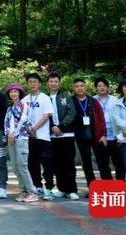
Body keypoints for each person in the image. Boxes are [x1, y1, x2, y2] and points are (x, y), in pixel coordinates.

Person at [72, 78, 110, 195]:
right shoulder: (71, 101)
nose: (80, 88)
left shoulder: (93, 101)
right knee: (86, 163)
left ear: (85, 87)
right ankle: (93, 188)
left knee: (102, 162)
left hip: (96, 135)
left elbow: (101, 118)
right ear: (73, 89)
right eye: (77, 86)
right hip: (80, 135)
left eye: (82, 85)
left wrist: (104, 134)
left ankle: (108, 187)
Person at [22, 73, 55, 200]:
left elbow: (46, 115)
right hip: (29, 136)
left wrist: (34, 128)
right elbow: (22, 117)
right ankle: (37, 186)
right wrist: (30, 129)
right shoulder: (25, 99)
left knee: (46, 163)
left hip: (43, 136)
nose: (33, 84)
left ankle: (49, 189)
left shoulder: (45, 98)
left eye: (35, 82)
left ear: (39, 83)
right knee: (32, 163)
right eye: (30, 82)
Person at [3, 83, 38, 203]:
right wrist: (8, 135)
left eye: (15, 91)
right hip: (11, 139)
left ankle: (31, 192)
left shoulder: (25, 106)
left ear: (19, 93)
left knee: (22, 166)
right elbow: (6, 123)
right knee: (15, 166)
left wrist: (15, 135)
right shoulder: (9, 108)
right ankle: (23, 190)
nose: (13, 94)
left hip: (22, 138)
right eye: (11, 92)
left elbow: (24, 121)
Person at [46, 72, 78, 200]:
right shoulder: (44, 98)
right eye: (51, 81)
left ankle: (71, 190)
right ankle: (61, 188)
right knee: (56, 163)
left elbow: (71, 114)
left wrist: (61, 126)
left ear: (59, 83)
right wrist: (52, 127)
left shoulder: (67, 97)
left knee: (68, 163)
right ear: (47, 83)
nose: (53, 84)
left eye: (56, 81)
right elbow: (42, 116)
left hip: (66, 135)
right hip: (51, 136)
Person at [93, 77, 125, 181]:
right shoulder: (92, 100)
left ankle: (120, 185)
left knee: (119, 163)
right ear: (96, 88)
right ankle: (108, 185)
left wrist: (121, 135)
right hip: (100, 137)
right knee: (103, 163)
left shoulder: (115, 100)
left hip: (115, 136)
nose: (102, 88)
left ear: (107, 87)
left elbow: (121, 117)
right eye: (99, 86)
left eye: (104, 86)